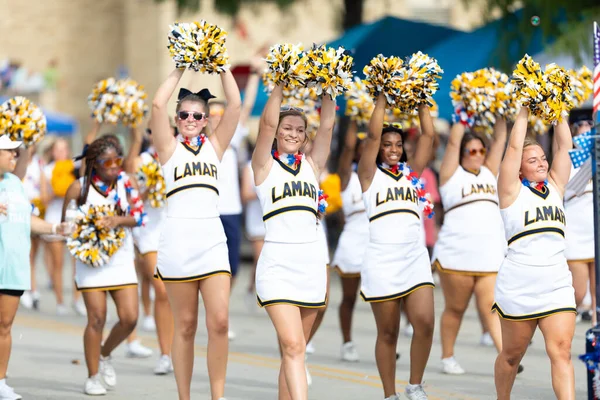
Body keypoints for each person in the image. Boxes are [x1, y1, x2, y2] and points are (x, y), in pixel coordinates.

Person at [150, 66, 241, 400]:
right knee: (185, 326)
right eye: (185, 114)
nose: (190, 119)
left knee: (219, 323)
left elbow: (235, 106)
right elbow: (157, 106)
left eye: (197, 115)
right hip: (177, 246)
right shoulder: (168, 149)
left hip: (212, 244)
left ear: (205, 120)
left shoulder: (215, 147)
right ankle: (184, 397)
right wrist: (179, 68)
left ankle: (218, 396)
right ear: (178, 119)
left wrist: (222, 67)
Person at [252, 83, 335, 399]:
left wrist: (329, 82)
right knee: (292, 344)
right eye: (288, 128)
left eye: (300, 130)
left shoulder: (313, 166)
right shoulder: (264, 167)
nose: (293, 133)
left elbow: (327, 123)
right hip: (277, 266)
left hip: (310, 265)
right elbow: (267, 123)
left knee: (295, 352)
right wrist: (281, 84)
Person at [493, 107, 575, 399]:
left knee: (562, 351)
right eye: (533, 160)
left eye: (543, 158)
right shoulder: (510, 191)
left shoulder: (556, 186)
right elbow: (514, 146)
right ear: (518, 168)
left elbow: (565, 146)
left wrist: (557, 108)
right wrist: (525, 109)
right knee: (512, 356)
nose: (541, 162)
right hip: (519, 285)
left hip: (556, 283)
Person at [357, 94, 435, 400]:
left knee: (425, 323)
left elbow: (428, 135)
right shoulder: (368, 176)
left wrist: (421, 98)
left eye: (398, 145)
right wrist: (382, 99)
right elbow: (372, 134)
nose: (392, 149)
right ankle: (389, 394)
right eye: (387, 145)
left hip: (414, 258)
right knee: (388, 333)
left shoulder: (411, 174)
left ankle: (414, 386)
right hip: (382, 260)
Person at [63, 131, 144, 395]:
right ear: (95, 163)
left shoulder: (126, 182)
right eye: (107, 163)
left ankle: (105, 353)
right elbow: (66, 225)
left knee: (130, 318)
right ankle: (93, 375)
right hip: (91, 261)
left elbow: (139, 216)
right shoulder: (80, 187)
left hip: (120, 257)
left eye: (117, 161)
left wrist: (117, 221)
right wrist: (83, 231)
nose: (114, 167)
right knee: (97, 318)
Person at [431, 119, 508, 375]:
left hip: (488, 253)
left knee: (492, 307)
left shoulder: (489, 171)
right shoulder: (450, 174)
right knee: (455, 309)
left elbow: (500, 139)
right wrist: (462, 116)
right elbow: (453, 140)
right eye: (471, 151)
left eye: (480, 151)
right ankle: (447, 356)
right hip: (457, 253)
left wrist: (499, 110)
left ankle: (506, 357)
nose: (477, 155)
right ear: (462, 153)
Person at [0, 136, 69, 400]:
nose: (15, 156)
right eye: (10, 151)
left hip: (14, 266)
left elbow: (26, 218)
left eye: (17, 152)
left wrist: (54, 228)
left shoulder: (15, 184)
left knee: (4, 326)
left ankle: (1, 382)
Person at [212, 55, 261, 339]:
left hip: (230, 211)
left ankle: (222, 312)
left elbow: (244, 107)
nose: (220, 119)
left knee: (231, 268)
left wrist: (254, 75)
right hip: (206, 213)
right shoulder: (200, 142)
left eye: (223, 115)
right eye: (215, 115)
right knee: (207, 268)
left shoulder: (231, 138)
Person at [126, 126, 173, 373]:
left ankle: (170, 351)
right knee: (160, 288)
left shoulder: (179, 155)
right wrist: (150, 188)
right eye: (152, 130)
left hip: (175, 228)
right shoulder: (142, 160)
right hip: (149, 231)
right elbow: (132, 194)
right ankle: (164, 354)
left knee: (172, 295)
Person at [331, 121, 368, 362]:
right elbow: (346, 147)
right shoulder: (348, 176)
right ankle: (347, 342)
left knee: (387, 296)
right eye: (362, 148)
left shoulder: (383, 176)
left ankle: (387, 340)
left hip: (379, 240)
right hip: (354, 241)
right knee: (349, 297)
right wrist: (353, 117)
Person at [564, 114, 595, 324]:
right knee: (578, 292)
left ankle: (596, 330)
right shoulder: (567, 159)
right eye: (580, 125)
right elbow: (567, 190)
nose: (585, 127)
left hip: (596, 230)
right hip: (575, 232)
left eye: (589, 124)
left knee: (597, 293)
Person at [42, 137, 77, 315]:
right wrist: (55, 191)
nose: (61, 153)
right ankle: (60, 302)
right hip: (54, 220)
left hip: (72, 218)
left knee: (77, 262)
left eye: (64, 149)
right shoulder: (47, 171)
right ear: (53, 152)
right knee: (58, 264)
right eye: (58, 149)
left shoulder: (74, 168)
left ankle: (77, 300)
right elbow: (43, 199)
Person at [20, 145, 49, 310]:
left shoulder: (39, 162)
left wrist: (41, 200)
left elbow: (44, 188)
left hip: (34, 210)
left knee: (32, 254)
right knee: (24, 252)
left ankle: (33, 288)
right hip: (18, 212)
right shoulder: (15, 161)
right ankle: (25, 287)